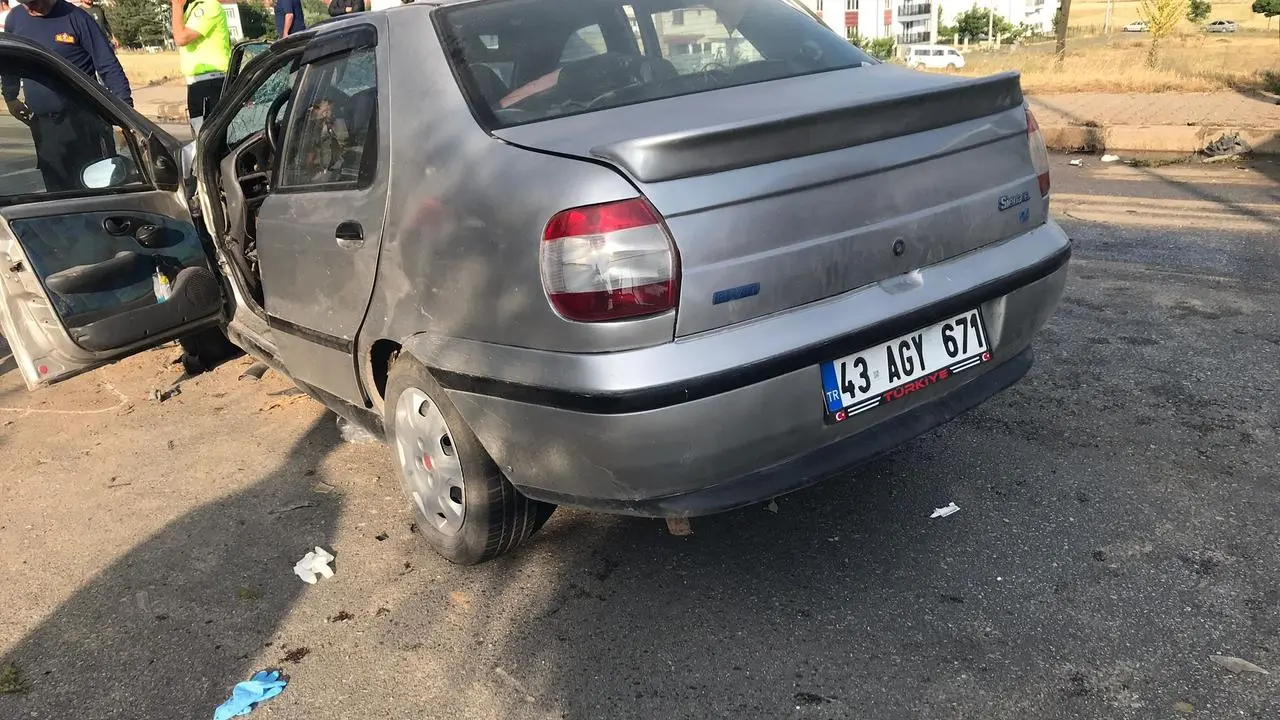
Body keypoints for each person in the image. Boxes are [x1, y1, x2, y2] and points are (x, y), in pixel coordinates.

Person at [2, 0, 131, 192]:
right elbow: (11, 62)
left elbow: (108, 66)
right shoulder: (16, 19)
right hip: (45, 128)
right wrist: (10, 96)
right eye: (25, 3)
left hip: (87, 124)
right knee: (57, 194)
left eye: (33, 2)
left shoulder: (76, 18)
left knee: (97, 192)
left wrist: (124, 116)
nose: (30, 8)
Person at [169, 0, 232, 133]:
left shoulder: (209, 5)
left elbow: (181, 38)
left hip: (211, 83)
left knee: (211, 138)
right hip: (198, 83)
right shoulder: (192, 7)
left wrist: (177, 5)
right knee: (201, 137)